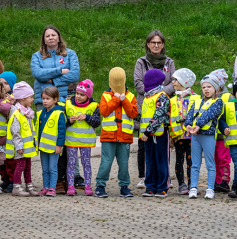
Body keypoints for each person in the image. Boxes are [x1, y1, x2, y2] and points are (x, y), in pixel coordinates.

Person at [30, 25, 80, 192]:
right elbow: (38, 74)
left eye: (53, 35)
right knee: (48, 140)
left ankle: (70, 178)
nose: (50, 38)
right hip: (42, 101)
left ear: (59, 37)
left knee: (65, 139)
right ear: (43, 39)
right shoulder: (37, 56)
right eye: (47, 36)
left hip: (65, 101)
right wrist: (60, 71)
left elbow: (75, 75)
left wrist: (53, 81)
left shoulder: (70, 54)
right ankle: (55, 180)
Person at [132, 30, 175, 189]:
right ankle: (144, 177)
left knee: (161, 146)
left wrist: (160, 92)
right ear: (148, 44)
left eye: (159, 43)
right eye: (153, 42)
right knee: (144, 144)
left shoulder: (169, 62)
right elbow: (138, 83)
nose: (156, 45)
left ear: (163, 45)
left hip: (163, 107)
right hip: (145, 105)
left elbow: (174, 82)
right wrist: (152, 91)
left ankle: (164, 178)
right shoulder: (141, 62)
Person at [96, 67, 138, 199]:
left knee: (124, 163)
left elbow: (133, 113)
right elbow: (104, 111)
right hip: (109, 136)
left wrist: (124, 99)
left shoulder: (130, 96)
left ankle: (124, 186)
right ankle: (100, 186)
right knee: (106, 162)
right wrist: (115, 99)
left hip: (124, 136)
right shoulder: (105, 96)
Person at [186, 72, 225, 200]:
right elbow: (190, 114)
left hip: (208, 136)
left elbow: (209, 114)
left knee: (210, 164)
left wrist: (198, 125)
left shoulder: (218, 102)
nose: (206, 90)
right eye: (204, 87)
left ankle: (210, 188)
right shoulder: (197, 101)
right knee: (195, 163)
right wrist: (188, 125)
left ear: (215, 89)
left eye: (209, 87)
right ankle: (193, 188)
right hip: (196, 136)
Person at [63, 80, 100, 196]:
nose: (78, 96)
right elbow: (62, 122)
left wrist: (87, 117)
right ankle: (70, 186)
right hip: (71, 140)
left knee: (86, 163)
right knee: (71, 163)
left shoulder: (94, 106)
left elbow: (97, 122)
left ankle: (88, 186)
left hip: (86, 141)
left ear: (88, 96)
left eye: (82, 94)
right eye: (77, 93)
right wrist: (69, 121)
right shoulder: (68, 104)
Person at [139, 68, 172, 197]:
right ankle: (150, 186)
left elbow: (158, 116)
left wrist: (147, 132)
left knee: (161, 160)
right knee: (150, 161)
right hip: (147, 136)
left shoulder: (162, 96)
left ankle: (162, 187)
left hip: (159, 134)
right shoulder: (148, 97)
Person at [169, 69, 199, 195]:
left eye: (175, 80)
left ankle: (192, 183)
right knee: (179, 160)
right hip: (178, 136)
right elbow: (169, 118)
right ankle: (181, 184)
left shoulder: (196, 98)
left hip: (193, 136)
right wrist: (171, 136)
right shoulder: (172, 100)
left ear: (183, 81)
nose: (173, 82)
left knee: (191, 161)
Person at [6, 81, 38, 197]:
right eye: (31, 97)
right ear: (23, 98)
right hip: (21, 148)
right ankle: (17, 186)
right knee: (20, 166)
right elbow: (15, 131)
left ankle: (29, 184)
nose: (32, 99)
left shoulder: (27, 113)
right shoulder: (17, 113)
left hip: (28, 147)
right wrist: (19, 146)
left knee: (28, 166)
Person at [35, 86, 66, 197]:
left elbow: (62, 131)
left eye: (47, 98)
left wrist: (59, 145)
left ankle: (52, 188)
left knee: (53, 168)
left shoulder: (59, 114)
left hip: (54, 147)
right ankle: (46, 187)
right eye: (43, 98)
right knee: (45, 169)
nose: (44, 101)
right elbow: (38, 130)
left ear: (55, 100)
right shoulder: (41, 113)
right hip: (43, 146)